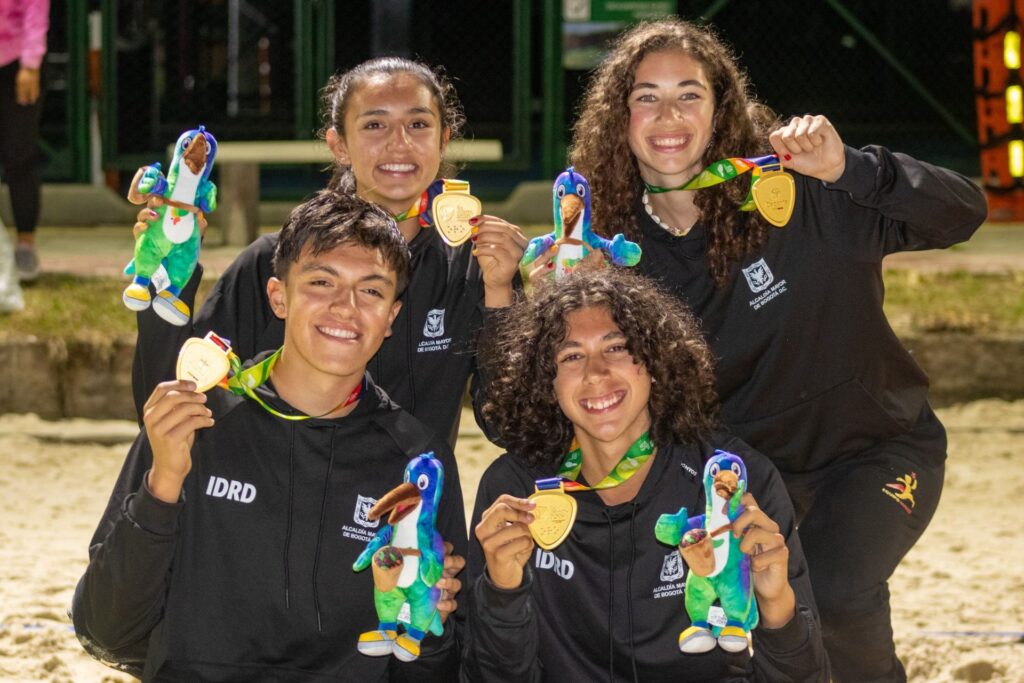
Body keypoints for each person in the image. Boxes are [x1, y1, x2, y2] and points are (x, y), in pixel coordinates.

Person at [567, 18, 989, 682]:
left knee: (838, 592)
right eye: (646, 96)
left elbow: (964, 211)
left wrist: (851, 166)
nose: (668, 113)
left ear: (720, 109)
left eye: (689, 94)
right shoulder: (614, 253)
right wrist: (564, 296)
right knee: (732, 619)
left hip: (878, 450)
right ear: (619, 120)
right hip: (750, 478)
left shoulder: (803, 189)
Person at [73, 191, 468, 681]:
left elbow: (435, 671)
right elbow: (104, 629)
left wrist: (435, 623)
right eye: (321, 282)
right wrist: (163, 487)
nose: (345, 308)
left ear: (390, 317)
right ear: (279, 297)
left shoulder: (416, 460)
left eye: (370, 291)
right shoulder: (196, 421)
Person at [131, 56, 526, 446]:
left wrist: (501, 299)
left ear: (443, 140)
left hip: (412, 502)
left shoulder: (476, 266)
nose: (399, 143)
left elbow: (509, 428)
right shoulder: (275, 262)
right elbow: (167, 409)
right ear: (338, 145)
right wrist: (168, 283)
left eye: (418, 124)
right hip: (283, 500)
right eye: (374, 124)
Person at [462, 268, 829, 682]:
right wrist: (502, 593)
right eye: (571, 356)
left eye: (616, 347)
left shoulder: (734, 480)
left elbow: (807, 676)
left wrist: (776, 603)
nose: (596, 373)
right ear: (547, 382)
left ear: (654, 362)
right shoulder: (514, 491)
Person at [0, 0, 48, 281]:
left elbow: (35, 10)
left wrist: (30, 64)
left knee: (20, 155)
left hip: (16, 62)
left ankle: (25, 247)